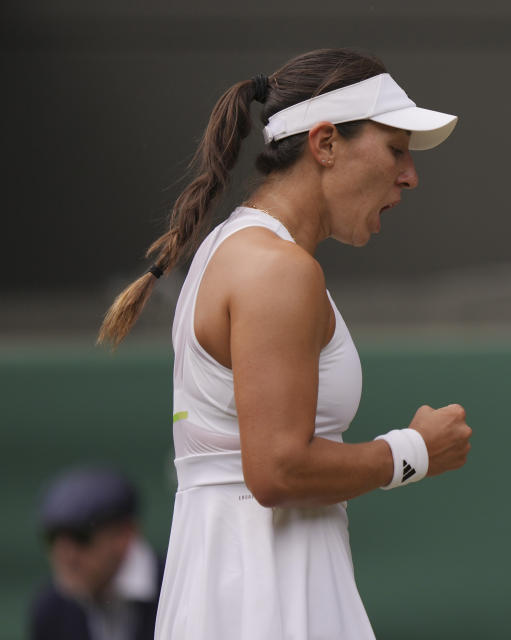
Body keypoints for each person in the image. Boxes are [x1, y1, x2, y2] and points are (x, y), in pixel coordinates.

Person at [96, 49, 473, 639]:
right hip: (265, 605)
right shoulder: (277, 269)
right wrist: (413, 452)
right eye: (395, 149)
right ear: (325, 144)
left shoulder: (239, 251)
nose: (410, 175)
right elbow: (278, 471)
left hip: (241, 596)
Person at [29, 467, 163, 640]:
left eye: (81, 537)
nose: (66, 556)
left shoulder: (178, 588)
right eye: (53, 538)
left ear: (125, 534)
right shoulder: (50, 611)